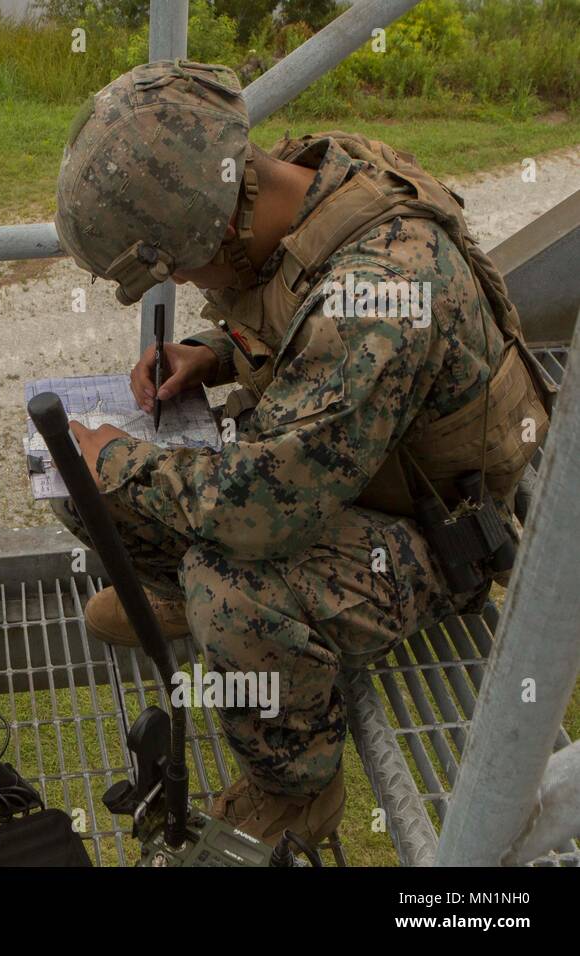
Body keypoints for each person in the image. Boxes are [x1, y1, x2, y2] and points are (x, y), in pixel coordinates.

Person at [52, 59, 553, 846]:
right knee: (74, 478)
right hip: (342, 472)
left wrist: (116, 459)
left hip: (434, 532)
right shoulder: (297, 179)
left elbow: (259, 512)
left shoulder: (383, 289)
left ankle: (294, 792)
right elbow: (289, 307)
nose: (181, 280)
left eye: (176, 266)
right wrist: (211, 353)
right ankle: (188, 595)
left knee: (232, 584)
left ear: (216, 226)